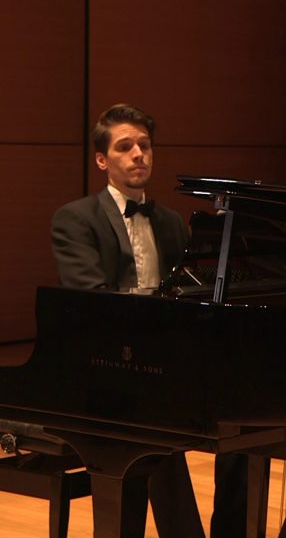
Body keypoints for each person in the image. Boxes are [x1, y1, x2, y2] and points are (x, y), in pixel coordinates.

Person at [51, 103, 248, 538]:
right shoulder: (76, 219)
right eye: (125, 147)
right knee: (151, 428)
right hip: (104, 364)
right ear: (103, 160)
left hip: (165, 360)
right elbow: (93, 307)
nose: (139, 153)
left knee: (247, 419)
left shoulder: (173, 223)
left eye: (145, 145)